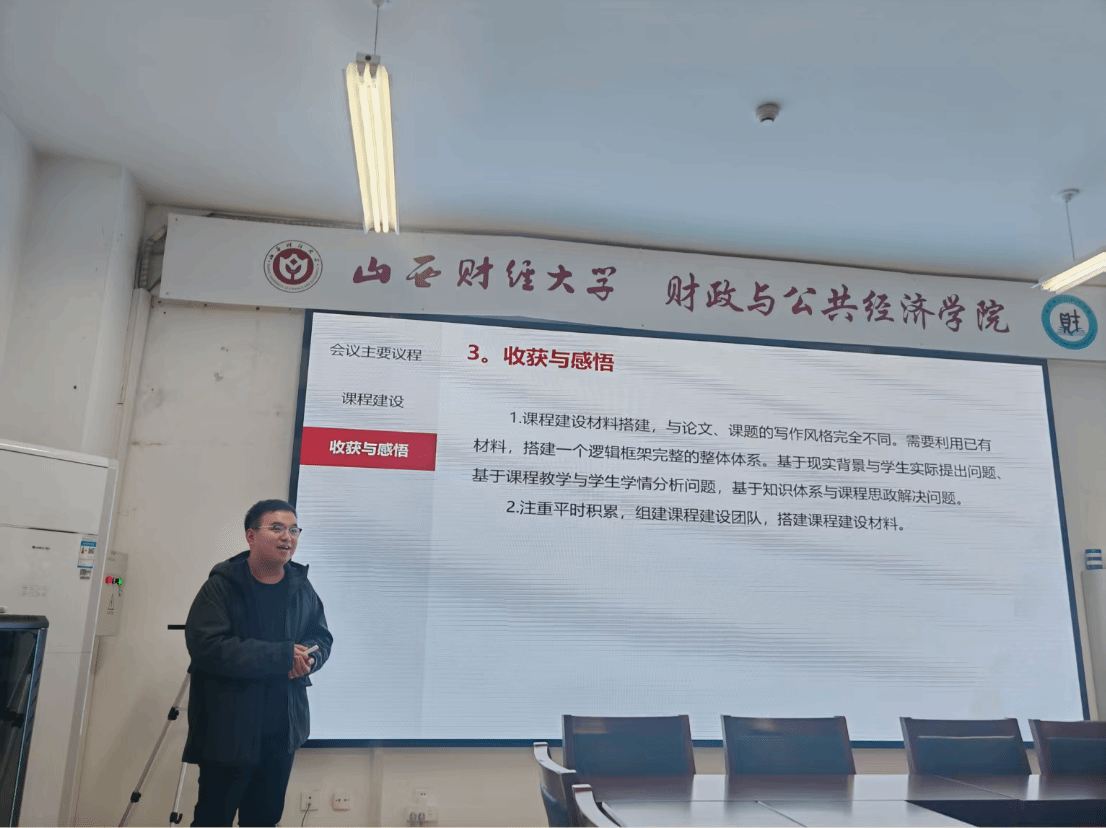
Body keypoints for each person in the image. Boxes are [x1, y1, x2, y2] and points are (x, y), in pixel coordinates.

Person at [183, 499, 333, 827]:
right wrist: (282, 656)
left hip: (281, 732)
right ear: (251, 536)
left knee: (264, 821)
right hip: (229, 731)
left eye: (293, 530)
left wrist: (309, 658)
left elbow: (321, 637)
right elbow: (208, 647)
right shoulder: (222, 586)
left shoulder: (301, 586)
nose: (287, 537)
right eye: (276, 528)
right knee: (212, 820)